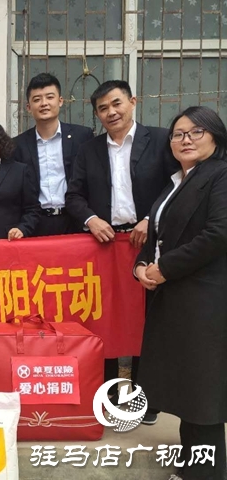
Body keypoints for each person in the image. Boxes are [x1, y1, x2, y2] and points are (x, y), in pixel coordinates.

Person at [65, 80, 178, 425]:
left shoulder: (159, 140)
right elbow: (74, 195)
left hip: (149, 243)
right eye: (102, 108)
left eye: (116, 104)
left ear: (132, 102)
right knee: (107, 318)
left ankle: (147, 399)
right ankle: (110, 396)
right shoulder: (89, 149)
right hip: (105, 245)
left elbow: (176, 185)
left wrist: (151, 219)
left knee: (148, 320)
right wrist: (91, 219)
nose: (111, 112)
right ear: (97, 115)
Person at [134, 106, 227, 480]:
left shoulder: (220, 175)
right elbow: (156, 236)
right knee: (189, 392)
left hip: (205, 301)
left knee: (203, 397)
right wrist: (141, 266)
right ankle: (190, 469)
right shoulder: (176, 181)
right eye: (178, 134)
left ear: (215, 136)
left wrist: (165, 268)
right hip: (174, 299)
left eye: (195, 132)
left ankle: (207, 474)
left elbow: (218, 233)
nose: (185, 139)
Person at [13, 73, 94, 236]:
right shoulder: (17, 145)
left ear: (60, 101)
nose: (44, 103)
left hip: (75, 221)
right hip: (35, 224)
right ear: (28, 107)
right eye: (37, 99)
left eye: (50, 97)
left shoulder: (82, 137)